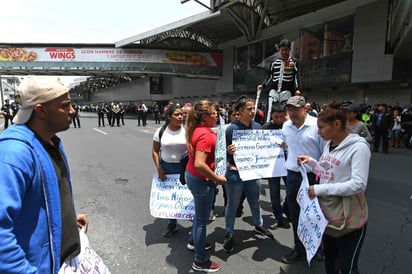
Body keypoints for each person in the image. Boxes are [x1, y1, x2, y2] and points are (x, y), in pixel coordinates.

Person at [0, 77, 89, 273]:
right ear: (41, 110)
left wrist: (67, 220)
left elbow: (40, 199)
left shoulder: (50, 142)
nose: (72, 111)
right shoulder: (14, 153)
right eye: (65, 106)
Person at [298, 105, 370, 274]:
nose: (318, 132)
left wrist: (320, 189)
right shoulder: (328, 145)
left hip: (350, 217)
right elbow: (328, 172)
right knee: (331, 261)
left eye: (322, 128)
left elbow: (359, 184)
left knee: (347, 267)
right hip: (328, 215)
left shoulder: (359, 147)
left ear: (337, 124)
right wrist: (311, 162)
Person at [223, 96, 274, 254]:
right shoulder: (231, 129)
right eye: (249, 109)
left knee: (254, 200)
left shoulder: (258, 127)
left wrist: (277, 146)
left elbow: (263, 148)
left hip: (253, 172)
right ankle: (229, 233)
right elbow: (220, 152)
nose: (253, 111)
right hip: (235, 174)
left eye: (253, 109)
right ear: (239, 111)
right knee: (232, 204)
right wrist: (227, 150)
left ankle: (259, 225)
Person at [281, 95, 326, 264]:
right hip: (292, 176)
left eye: (295, 109)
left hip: (312, 176)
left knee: (314, 214)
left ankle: (318, 248)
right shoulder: (286, 126)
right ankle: (299, 248)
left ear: (304, 109)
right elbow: (284, 145)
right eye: (289, 109)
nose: (291, 112)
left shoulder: (316, 126)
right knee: (295, 214)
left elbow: (324, 153)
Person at [184, 100, 227, 272]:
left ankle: (195, 243)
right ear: (204, 117)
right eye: (213, 112)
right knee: (202, 221)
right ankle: (200, 261)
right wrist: (217, 178)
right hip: (201, 180)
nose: (217, 114)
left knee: (198, 217)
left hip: (194, 177)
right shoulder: (206, 135)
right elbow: (200, 163)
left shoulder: (199, 130)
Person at [151, 105, 187, 237]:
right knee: (170, 197)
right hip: (167, 167)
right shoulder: (161, 132)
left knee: (187, 196)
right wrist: (159, 168)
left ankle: (193, 222)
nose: (180, 117)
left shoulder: (187, 131)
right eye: (177, 114)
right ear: (169, 117)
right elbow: (155, 151)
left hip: (184, 168)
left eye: (181, 114)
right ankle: (172, 223)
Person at [257, 39, 302, 122]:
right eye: (282, 50)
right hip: (274, 90)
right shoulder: (274, 61)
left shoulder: (294, 62)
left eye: (286, 50)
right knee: (269, 107)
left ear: (289, 50)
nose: (284, 52)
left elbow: (297, 76)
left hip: (287, 92)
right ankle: (267, 124)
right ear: (279, 50)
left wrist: (298, 88)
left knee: (286, 110)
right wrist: (263, 85)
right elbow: (269, 75)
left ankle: (286, 126)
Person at [262, 103, 289, 229]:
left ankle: (288, 211)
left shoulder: (289, 126)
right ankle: (278, 217)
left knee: (291, 189)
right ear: (271, 114)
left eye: (281, 117)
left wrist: (286, 145)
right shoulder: (266, 127)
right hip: (273, 165)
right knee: (274, 192)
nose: (279, 119)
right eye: (276, 117)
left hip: (289, 163)